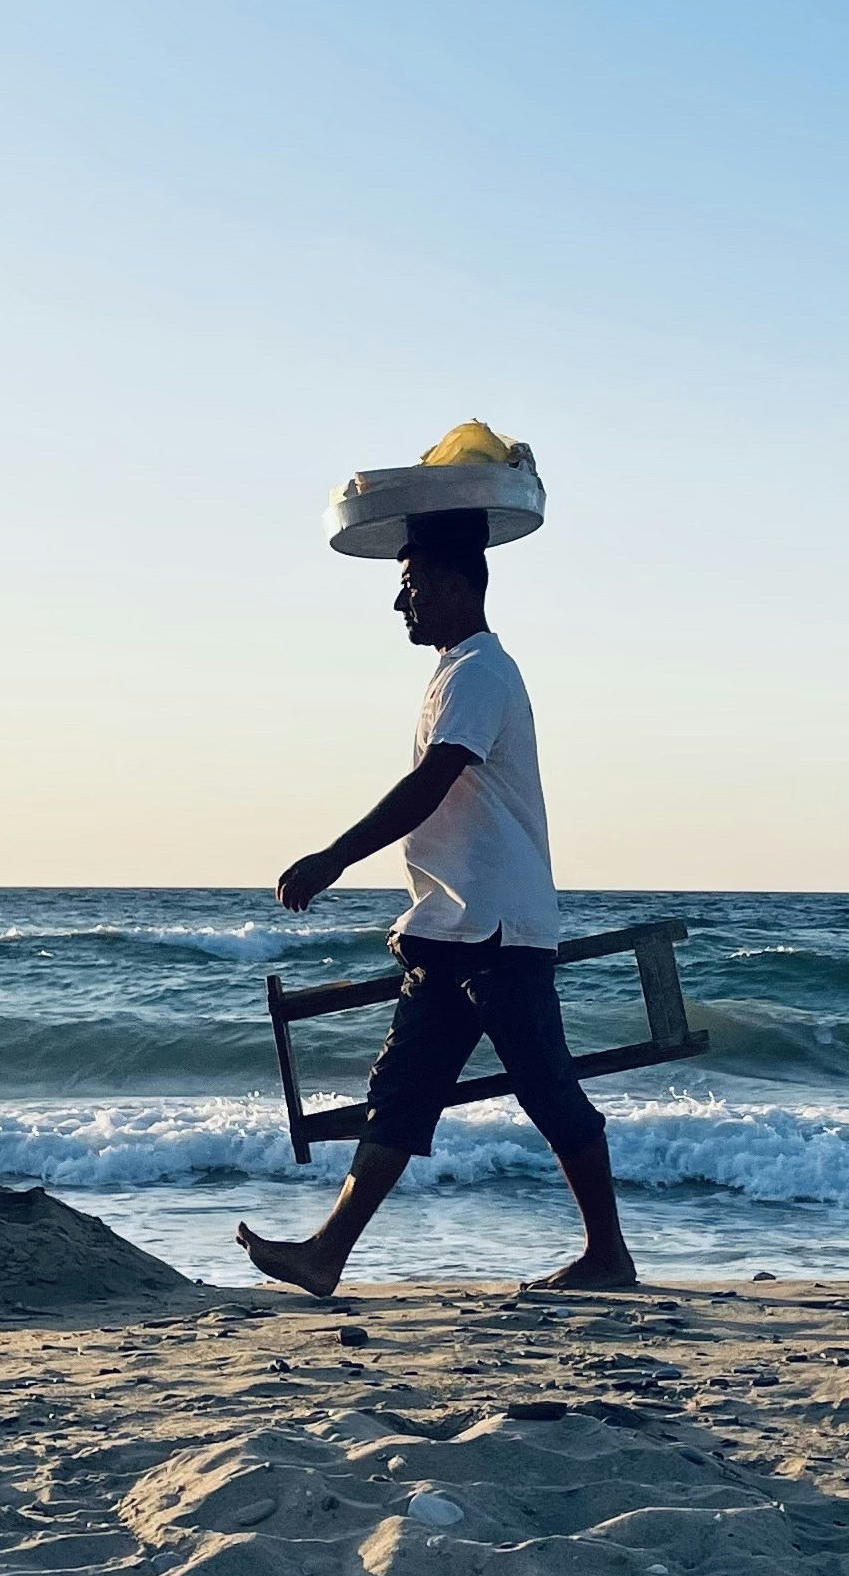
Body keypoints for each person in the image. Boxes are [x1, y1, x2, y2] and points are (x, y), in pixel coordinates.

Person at [236, 507, 636, 1296]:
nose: (400, 604)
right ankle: (326, 1255)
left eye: (411, 586)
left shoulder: (482, 673)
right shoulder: (457, 671)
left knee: (546, 1088)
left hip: (495, 930)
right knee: (402, 1091)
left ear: (455, 585)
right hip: (450, 929)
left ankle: (607, 1255)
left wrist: (333, 858)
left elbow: (430, 784)